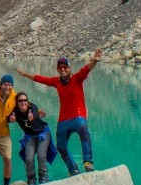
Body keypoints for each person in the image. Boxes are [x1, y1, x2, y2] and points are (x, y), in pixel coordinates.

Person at [15, 48, 103, 176]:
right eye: (60, 67)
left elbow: (87, 69)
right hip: (63, 119)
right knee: (61, 147)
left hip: (78, 116)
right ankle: (73, 170)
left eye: (65, 67)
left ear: (69, 68)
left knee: (83, 130)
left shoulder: (76, 79)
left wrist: (95, 60)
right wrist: (25, 74)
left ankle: (88, 162)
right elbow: (41, 79)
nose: (62, 69)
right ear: (57, 69)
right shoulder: (57, 82)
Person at [10, 91, 57, 185]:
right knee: (29, 158)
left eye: (25, 100)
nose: (23, 103)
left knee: (41, 155)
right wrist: (10, 119)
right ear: (17, 102)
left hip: (43, 133)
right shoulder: (15, 112)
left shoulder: (32, 108)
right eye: (20, 101)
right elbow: (9, 118)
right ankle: (31, 179)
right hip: (29, 136)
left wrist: (33, 116)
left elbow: (35, 112)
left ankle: (43, 177)